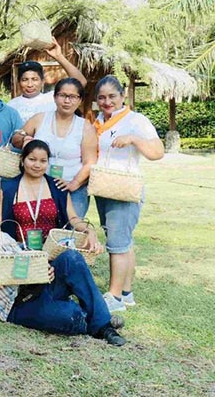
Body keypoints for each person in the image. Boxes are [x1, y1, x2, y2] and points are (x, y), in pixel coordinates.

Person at [0, 194, 127, 346]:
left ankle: (103, 326)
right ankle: (100, 319)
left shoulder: (2, 237)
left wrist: (43, 267)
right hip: (16, 306)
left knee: (72, 258)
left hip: (37, 286)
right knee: (70, 317)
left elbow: (27, 257)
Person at [92, 75, 164, 313]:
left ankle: (114, 297)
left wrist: (133, 138)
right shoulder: (98, 121)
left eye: (112, 96)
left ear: (122, 96)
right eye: (101, 98)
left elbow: (157, 152)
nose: (107, 101)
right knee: (124, 241)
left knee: (117, 243)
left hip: (124, 189)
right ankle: (126, 292)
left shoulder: (136, 121)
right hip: (103, 188)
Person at [11, 78, 97, 217]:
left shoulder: (85, 127)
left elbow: (90, 162)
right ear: (55, 97)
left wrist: (74, 184)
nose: (67, 101)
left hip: (73, 189)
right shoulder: (40, 119)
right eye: (63, 95)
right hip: (39, 186)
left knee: (71, 232)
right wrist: (25, 138)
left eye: (73, 97)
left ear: (80, 100)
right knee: (41, 229)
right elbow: (15, 139)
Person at [0, 140, 102, 254]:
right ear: (22, 160)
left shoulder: (57, 187)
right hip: (19, 250)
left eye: (43, 161)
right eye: (32, 159)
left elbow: (73, 218)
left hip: (53, 249)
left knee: (72, 257)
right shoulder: (9, 188)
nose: (37, 165)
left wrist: (89, 230)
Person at [7, 39, 87, 124]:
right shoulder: (11, 106)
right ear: (18, 82)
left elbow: (81, 82)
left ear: (42, 81)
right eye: (25, 80)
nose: (30, 84)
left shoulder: (52, 99)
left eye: (34, 79)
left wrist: (59, 56)